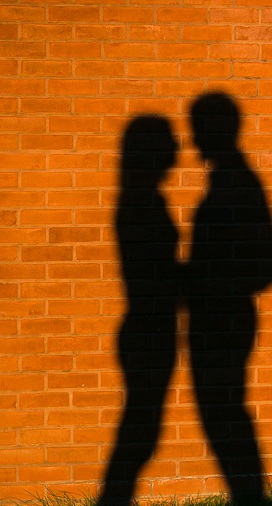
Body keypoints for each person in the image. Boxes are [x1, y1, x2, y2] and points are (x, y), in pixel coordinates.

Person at [185, 93, 272, 504]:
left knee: (226, 419)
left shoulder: (237, 185)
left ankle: (250, 498)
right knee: (226, 418)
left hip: (224, 321)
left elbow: (263, 266)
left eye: (198, 128)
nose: (192, 139)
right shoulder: (228, 180)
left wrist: (204, 282)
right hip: (220, 318)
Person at [98, 116, 180, 506]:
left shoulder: (141, 200)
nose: (177, 149)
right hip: (150, 327)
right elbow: (155, 272)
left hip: (150, 326)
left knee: (140, 427)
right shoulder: (142, 204)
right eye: (168, 142)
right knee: (140, 430)